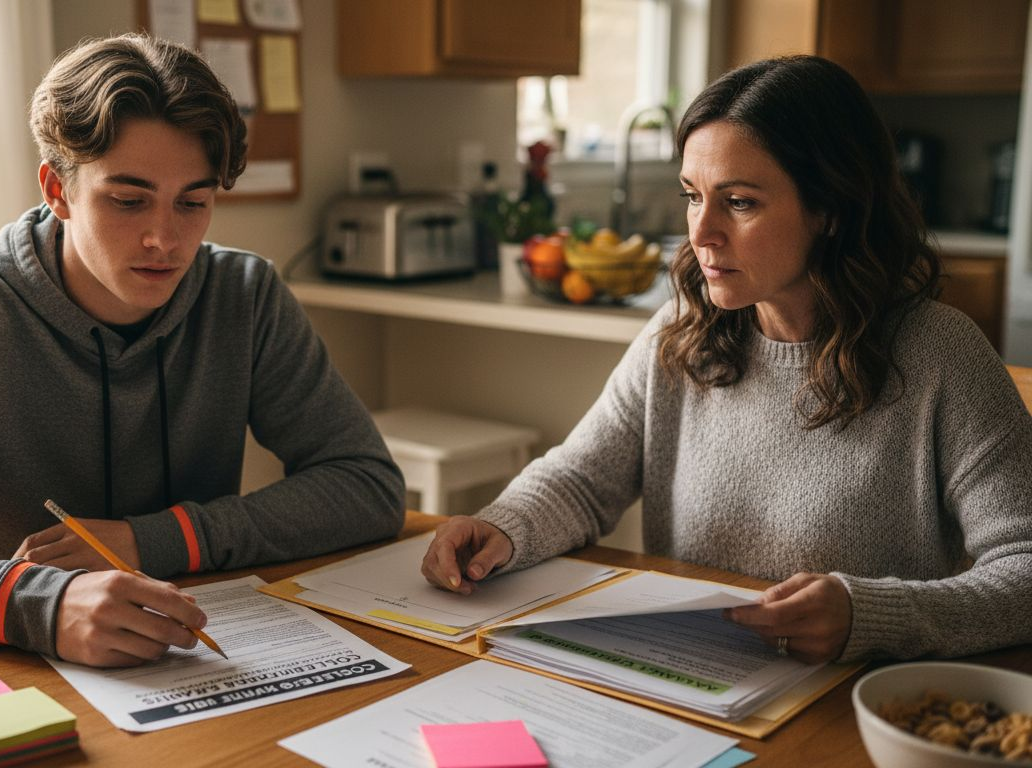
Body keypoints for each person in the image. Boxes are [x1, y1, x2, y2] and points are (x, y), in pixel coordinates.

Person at [0, 34, 405, 667]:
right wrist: (45, 602)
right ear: (57, 190)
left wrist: (157, 541)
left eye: (192, 203)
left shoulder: (245, 295)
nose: (163, 238)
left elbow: (367, 486)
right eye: (127, 200)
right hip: (5, 657)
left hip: (193, 650)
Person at [421, 55, 1032, 664]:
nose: (702, 232)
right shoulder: (682, 331)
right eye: (693, 196)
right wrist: (502, 528)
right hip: (692, 679)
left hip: (845, 704)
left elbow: (1025, 570)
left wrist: (867, 615)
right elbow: (580, 480)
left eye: (738, 202)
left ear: (832, 210)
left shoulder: (940, 355)